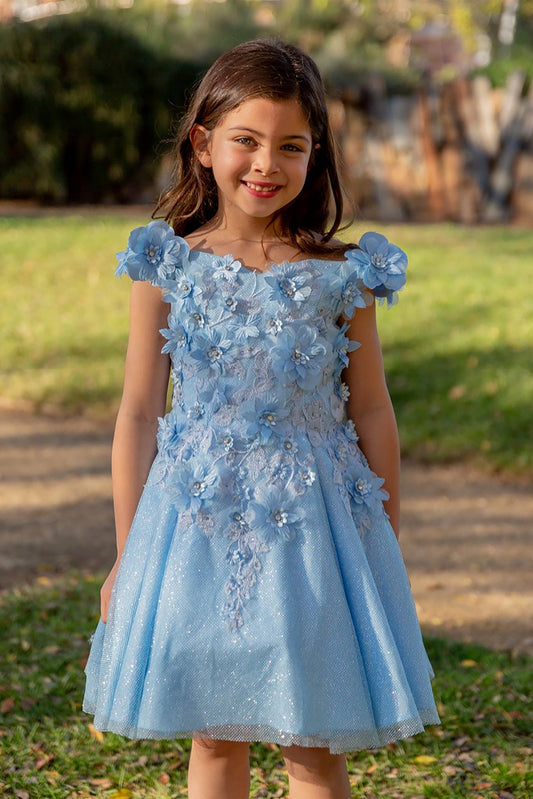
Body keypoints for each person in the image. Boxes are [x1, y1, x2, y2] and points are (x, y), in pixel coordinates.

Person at [83, 38, 440, 799]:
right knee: (216, 734)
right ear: (204, 144)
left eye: (291, 146)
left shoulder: (341, 277)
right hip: (196, 533)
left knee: (309, 740)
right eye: (245, 140)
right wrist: (127, 555)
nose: (265, 164)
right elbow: (140, 411)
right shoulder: (166, 266)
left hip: (312, 533)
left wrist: (385, 540)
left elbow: (371, 409)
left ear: (317, 154)